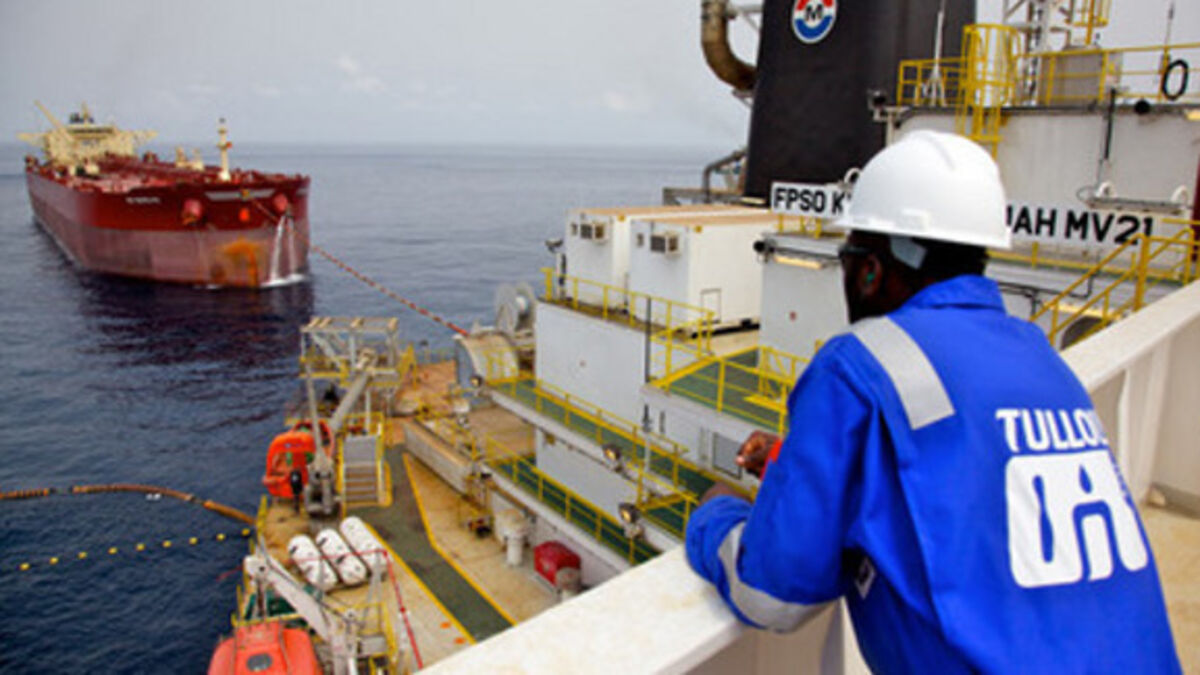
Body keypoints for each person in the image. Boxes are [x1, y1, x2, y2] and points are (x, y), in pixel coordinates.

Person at [685, 130, 1181, 672]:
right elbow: (967, 479)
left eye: (847, 257)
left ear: (870, 270)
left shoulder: (856, 365)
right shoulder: (1040, 357)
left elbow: (773, 596)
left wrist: (717, 515)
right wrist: (791, 461)